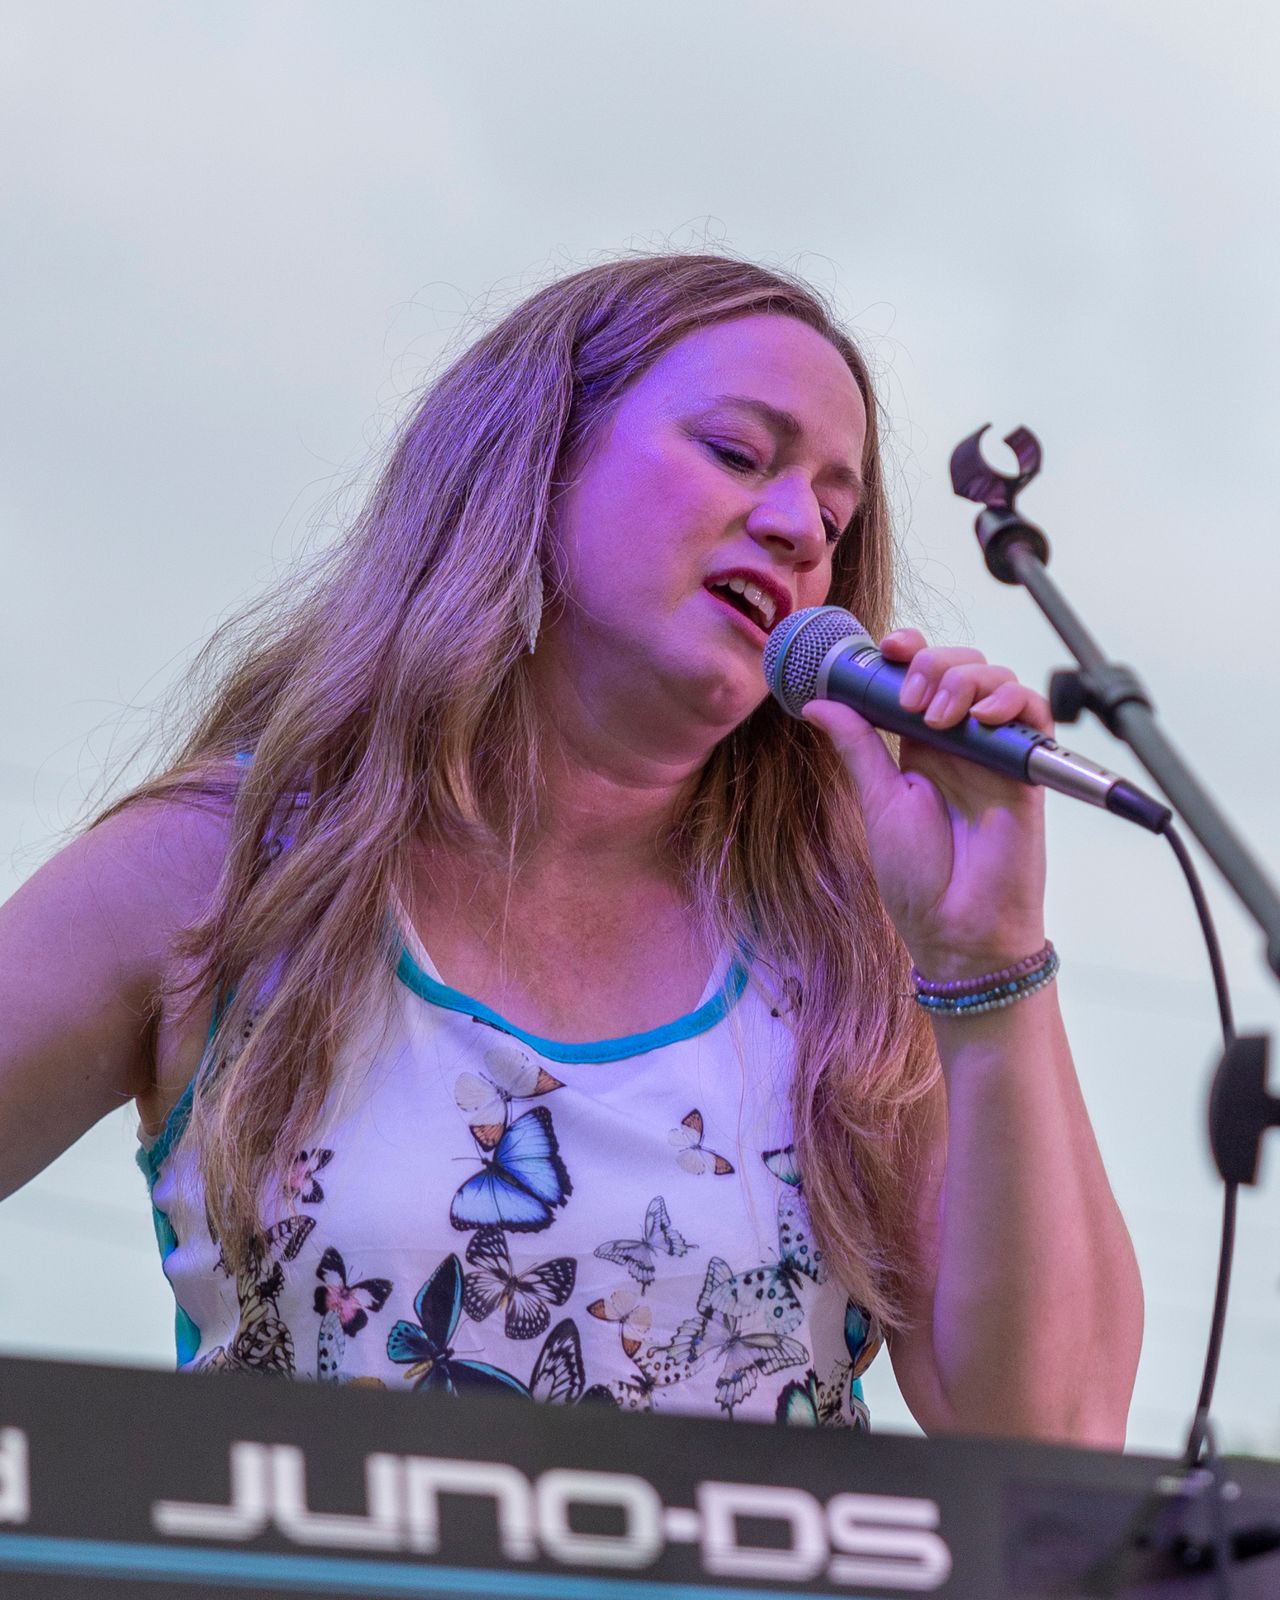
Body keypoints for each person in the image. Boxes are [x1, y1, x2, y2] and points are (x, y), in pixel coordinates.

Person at [0, 253, 1142, 1439]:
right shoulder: (220, 868)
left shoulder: (850, 952)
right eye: (737, 453)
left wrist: (984, 957)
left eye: (832, 516)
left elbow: (1057, 1437)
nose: (797, 527)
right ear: (533, 461)